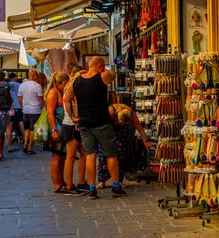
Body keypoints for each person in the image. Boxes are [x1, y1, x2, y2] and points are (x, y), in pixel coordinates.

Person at [64, 56, 125, 200]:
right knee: (110, 154)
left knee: (90, 155)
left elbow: (66, 99)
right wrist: (105, 71)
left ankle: (92, 189)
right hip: (102, 122)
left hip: (84, 124)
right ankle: (116, 186)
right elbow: (114, 74)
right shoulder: (102, 77)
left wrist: (73, 117)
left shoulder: (77, 81)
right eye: (102, 67)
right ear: (99, 67)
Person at [98, 103, 154, 188]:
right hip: (107, 130)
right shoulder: (111, 111)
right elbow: (102, 127)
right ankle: (102, 181)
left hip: (121, 133)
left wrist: (145, 141)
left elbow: (139, 128)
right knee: (103, 155)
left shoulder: (132, 113)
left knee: (120, 155)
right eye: (121, 122)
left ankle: (118, 180)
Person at [62, 66, 89, 196]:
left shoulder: (71, 88)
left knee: (83, 154)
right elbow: (74, 105)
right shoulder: (74, 90)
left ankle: (81, 182)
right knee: (71, 156)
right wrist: (75, 118)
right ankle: (69, 185)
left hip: (76, 124)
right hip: (71, 125)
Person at [45, 72, 70, 193]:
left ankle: (62, 180)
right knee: (56, 156)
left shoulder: (61, 93)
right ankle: (56, 183)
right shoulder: (53, 93)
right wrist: (54, 130)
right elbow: (50, 113)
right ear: (59, 83)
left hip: (63, 126)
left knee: (62, 156)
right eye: (65, 83)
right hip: (57, 127)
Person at [19, 69, 45, 155]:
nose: (37, 76)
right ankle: (30, 148)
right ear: (33, 75)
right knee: (32, 129)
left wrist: (23, 107)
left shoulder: (22, 85)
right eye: (37, 75)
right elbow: (40, 99)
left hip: (25, 110)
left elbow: (20, 99)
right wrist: (45, 106)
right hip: (35, 110)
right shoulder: (37, 86)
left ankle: (25, 144)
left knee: (26, 129)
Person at [8, 72, 23, 150]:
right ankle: (25, 137)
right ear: (15, 77)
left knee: (10, 124)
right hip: (19, 106)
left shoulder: (7, 85)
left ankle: (9, 141)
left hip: (10, 107)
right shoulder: (19, 85)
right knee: (20, 121)